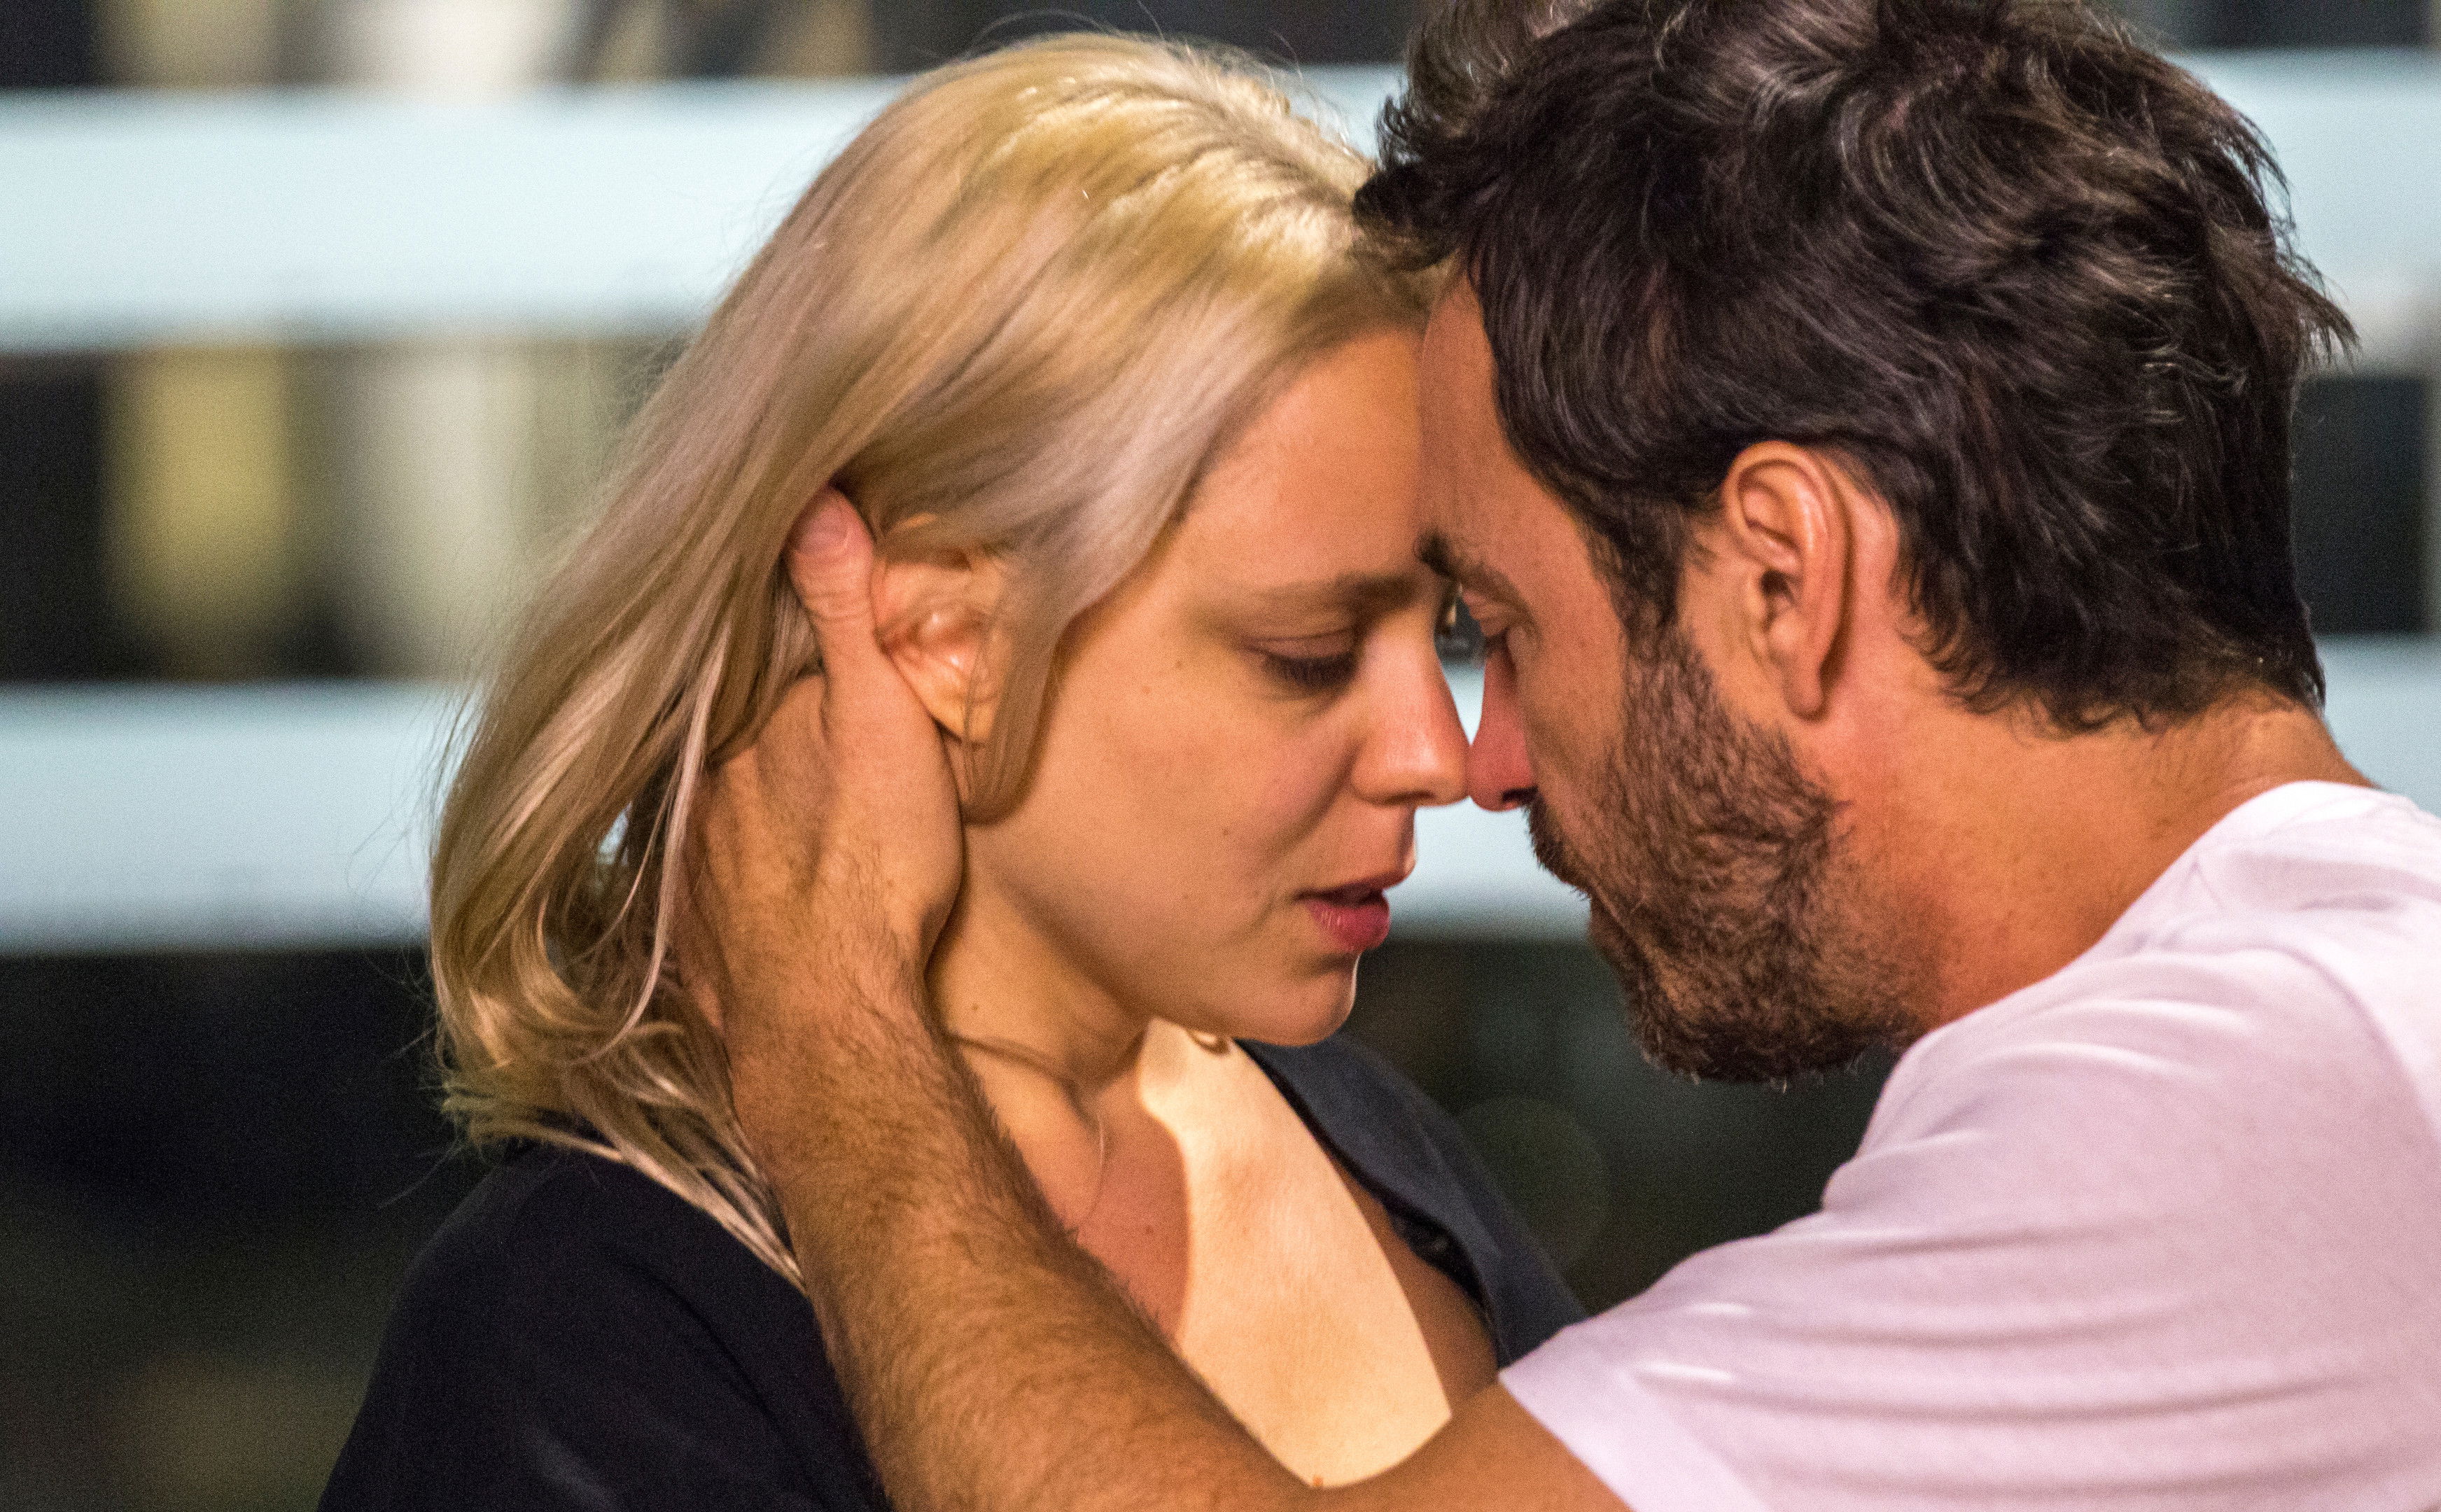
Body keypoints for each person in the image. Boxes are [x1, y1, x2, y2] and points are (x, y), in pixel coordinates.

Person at [685, 0, 2441, 1508]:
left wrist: (834, 1036)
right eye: (1316, 647)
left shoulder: (2248, 1127)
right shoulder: (2388, 1039)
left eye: (1504, 626)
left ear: (1783, 578)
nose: (1480, 760)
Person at [321, 36, 1584, 1511]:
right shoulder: (587, 1332)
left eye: (1449, 630)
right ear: (938, 637)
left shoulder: (1380, 1154)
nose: (1439, 753)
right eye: (1306, 654)